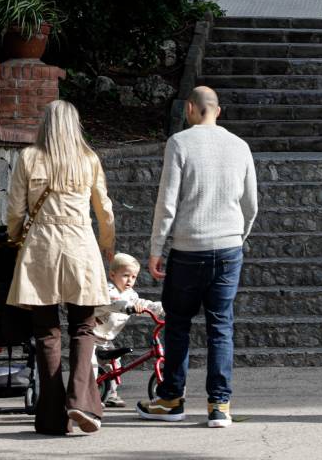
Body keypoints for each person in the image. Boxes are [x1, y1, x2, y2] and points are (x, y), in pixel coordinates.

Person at [138, 86, 258, 429]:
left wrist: (156, 248)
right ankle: (219, 405)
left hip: (189, 249)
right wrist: (238, 235)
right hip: (229, 247)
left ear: (190, 108)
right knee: (221, 326)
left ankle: (171, 398)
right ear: (217, 111)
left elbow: (168, 202)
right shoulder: (240, 146)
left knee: (178, 324)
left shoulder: (180, 143)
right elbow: (251, 203)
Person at [6, 99, 115, 435]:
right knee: (84, 328)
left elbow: (14, 211)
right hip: (81, 248)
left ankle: (52, 417)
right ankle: (81, 403)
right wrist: (107, 245)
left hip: (41, 250)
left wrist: (13, 237)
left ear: (46, 124)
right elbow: (105, 209)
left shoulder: (28, 157)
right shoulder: (88, 159)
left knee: (46, 333)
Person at [93, 253, 164, 408]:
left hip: (106, 339)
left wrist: (161, 308)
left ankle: (111, 394)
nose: (130, 280)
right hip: (91, 337)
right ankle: (89, 395)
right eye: (125, 276)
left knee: (113, 367)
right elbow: (115, 302)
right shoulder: (107, 290)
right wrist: (128, 307)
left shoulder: (131, 294)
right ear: (112, 275)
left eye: (133, 277)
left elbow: (140, 302)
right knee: (91, 366)